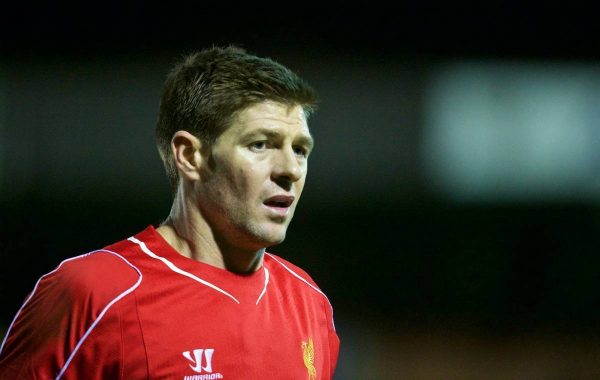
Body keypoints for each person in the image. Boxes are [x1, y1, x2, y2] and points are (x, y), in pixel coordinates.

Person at [0, 46, 339, 379]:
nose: (290, 169)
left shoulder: (309, 304)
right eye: (260, 144)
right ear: (190, 156)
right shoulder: (96, 293)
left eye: (300, 149)